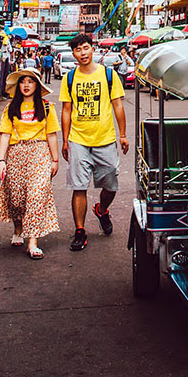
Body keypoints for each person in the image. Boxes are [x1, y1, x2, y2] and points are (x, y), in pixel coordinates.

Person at [60, 32, 127, 252]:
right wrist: (65, 140)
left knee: (110, 185)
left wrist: (123, 134)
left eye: (86, 48)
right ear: (74, 54)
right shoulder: (69, 79)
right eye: (78, 50)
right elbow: (66, 110)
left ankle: (102, 209)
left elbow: (118, 105)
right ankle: (80, 231)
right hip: (78, 139)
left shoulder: (108, 75)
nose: (83, 53)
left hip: (105, 140)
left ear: (93, 49)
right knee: (78, 187)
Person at [0, 68, 60, 259]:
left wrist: (55, 159)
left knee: (37, 195)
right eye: (23, 81)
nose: (26, 85)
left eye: (31, 81)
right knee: (17, 197)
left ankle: (33, 242)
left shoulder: (46, 107)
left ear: (37, 85)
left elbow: (51, 134)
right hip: (16, 154)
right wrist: (1, 160)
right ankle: (18, 229)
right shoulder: (10, 109)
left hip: (39, 153)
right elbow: (5, 135)